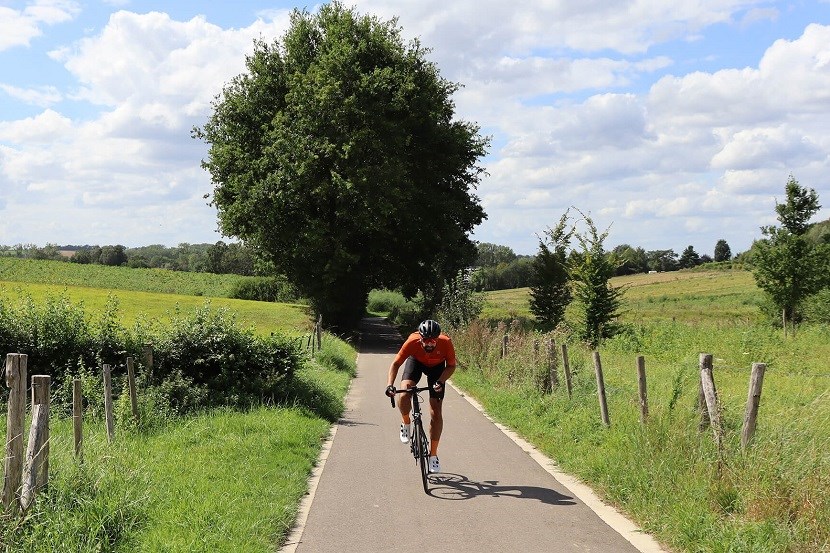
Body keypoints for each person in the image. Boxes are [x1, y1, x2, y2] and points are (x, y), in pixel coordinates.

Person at [385, 319, 456, 474]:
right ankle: (406, 422)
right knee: (404, 392)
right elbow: (396, 363)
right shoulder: (412, 341)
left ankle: (433, 455)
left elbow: (451, 366)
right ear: (420, 338)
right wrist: (390, 384)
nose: (430, 344)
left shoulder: (446, 342)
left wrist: (441, 381)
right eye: (426, 340)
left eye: (433, 341)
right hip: (416, 363)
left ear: (438, 338)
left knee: (436, 412)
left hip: (437, 368)